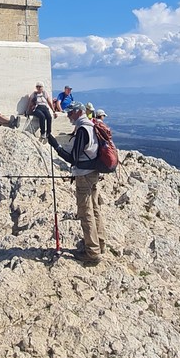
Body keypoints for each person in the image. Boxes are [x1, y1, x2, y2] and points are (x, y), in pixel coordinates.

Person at [48, 102, 105, 266]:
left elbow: (73, 158)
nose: (68, 115)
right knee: (95, 209)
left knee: (85, 212)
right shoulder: (92, 126)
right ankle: (100, 243)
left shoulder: (82, 130)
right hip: (94, 172)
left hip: (84, 175)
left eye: (70, 112)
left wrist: (56, 146)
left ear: (79, 112)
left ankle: (92, 252)